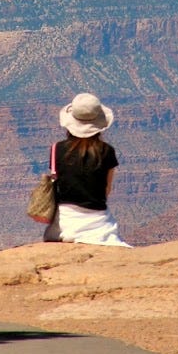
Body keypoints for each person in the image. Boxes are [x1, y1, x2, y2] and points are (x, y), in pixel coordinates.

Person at [43, 93, 131, 247]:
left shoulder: (56, 149)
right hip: (98, 225)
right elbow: (106, 190)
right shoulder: (107, 151)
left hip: (64, 225)